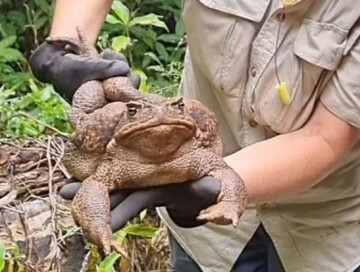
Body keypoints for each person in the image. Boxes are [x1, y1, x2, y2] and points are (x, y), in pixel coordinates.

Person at [30, 0, 360, 271]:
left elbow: (326, 136)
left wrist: (208, 187)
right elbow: (94, 187)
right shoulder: (121, 137)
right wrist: (63, 51)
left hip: (325, 224)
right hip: (210, 238)